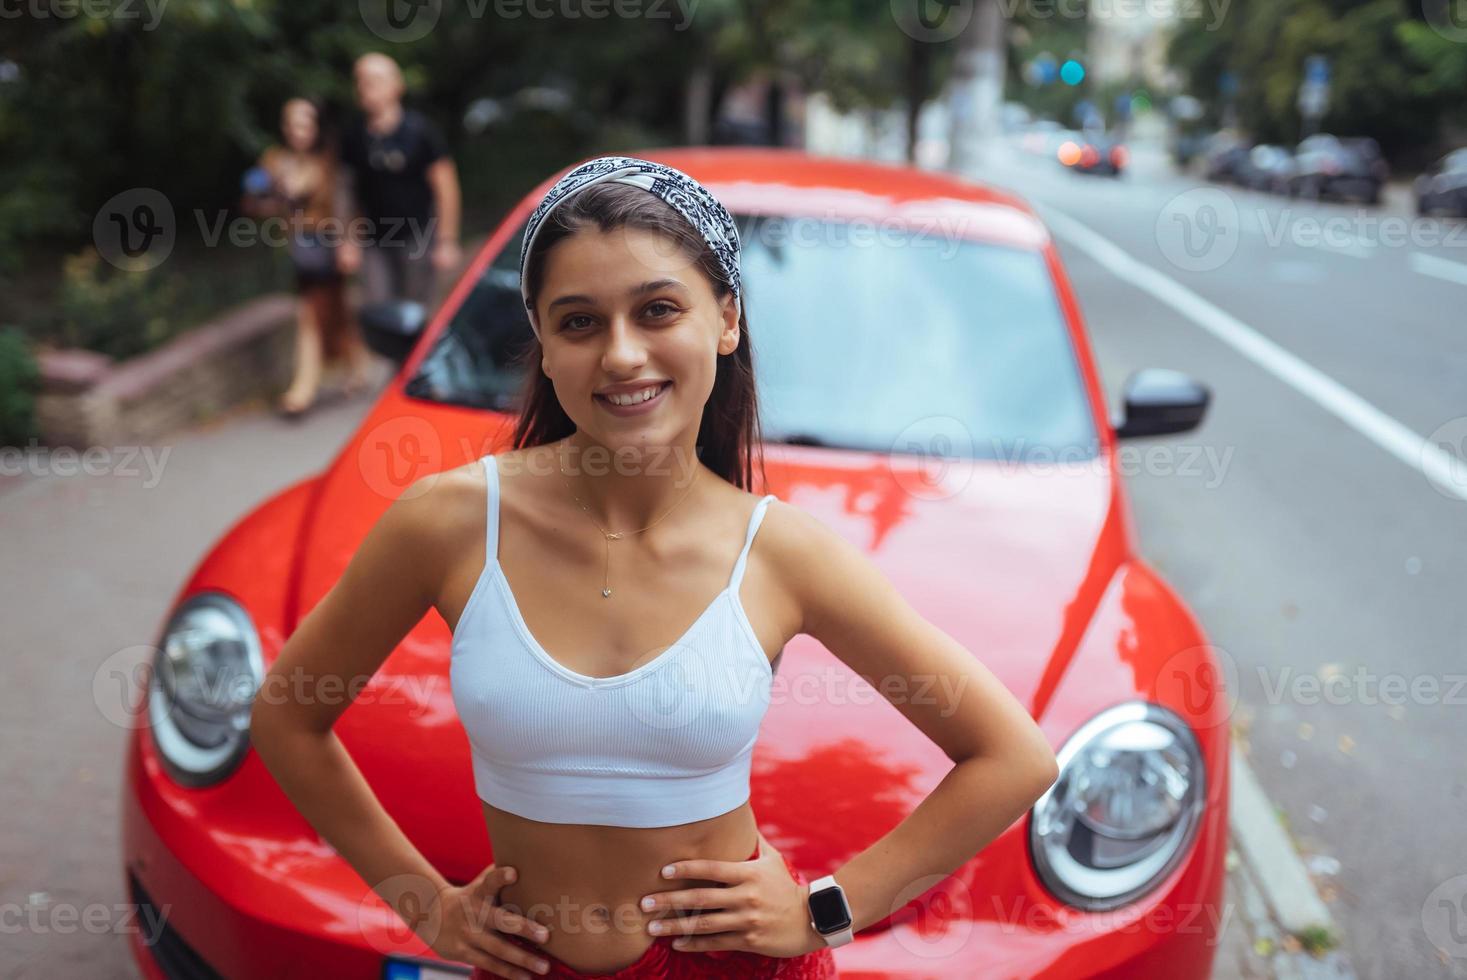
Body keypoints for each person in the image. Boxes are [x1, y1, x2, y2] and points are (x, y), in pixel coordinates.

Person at [249, 156, 1060, 979]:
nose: (622, 354)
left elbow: (1011, 757)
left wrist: (827, 910)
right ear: (542, 343)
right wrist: (422, 904)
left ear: (726, 320)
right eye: (578, 323)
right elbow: (287, 718)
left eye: (658, 309)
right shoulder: (449, 523)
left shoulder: (781, 553)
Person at [242, 97, 375, 417]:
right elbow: (254, 203)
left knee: (321, 314)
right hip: (301, 249)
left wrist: (350, 242)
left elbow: (346, 204)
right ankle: (348, 368)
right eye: (292, 123)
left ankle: (306, 388)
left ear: (316, 127)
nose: (298, 131)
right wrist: (271, 195)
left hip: (329, 245)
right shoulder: (275, 161)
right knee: (322, 313)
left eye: (304, 123)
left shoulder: (330, 162)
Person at [336, 52, 462, 310]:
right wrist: (346, 241)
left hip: (418, 237)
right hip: (374, 241)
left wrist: (446, 241)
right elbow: (345, 192)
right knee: (378, 311)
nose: (364, 87)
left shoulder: (420, 131)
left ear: (397, 86)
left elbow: (445, 187)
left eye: (374, 80)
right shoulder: (353, 136)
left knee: (416, 312)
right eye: (360, 80)